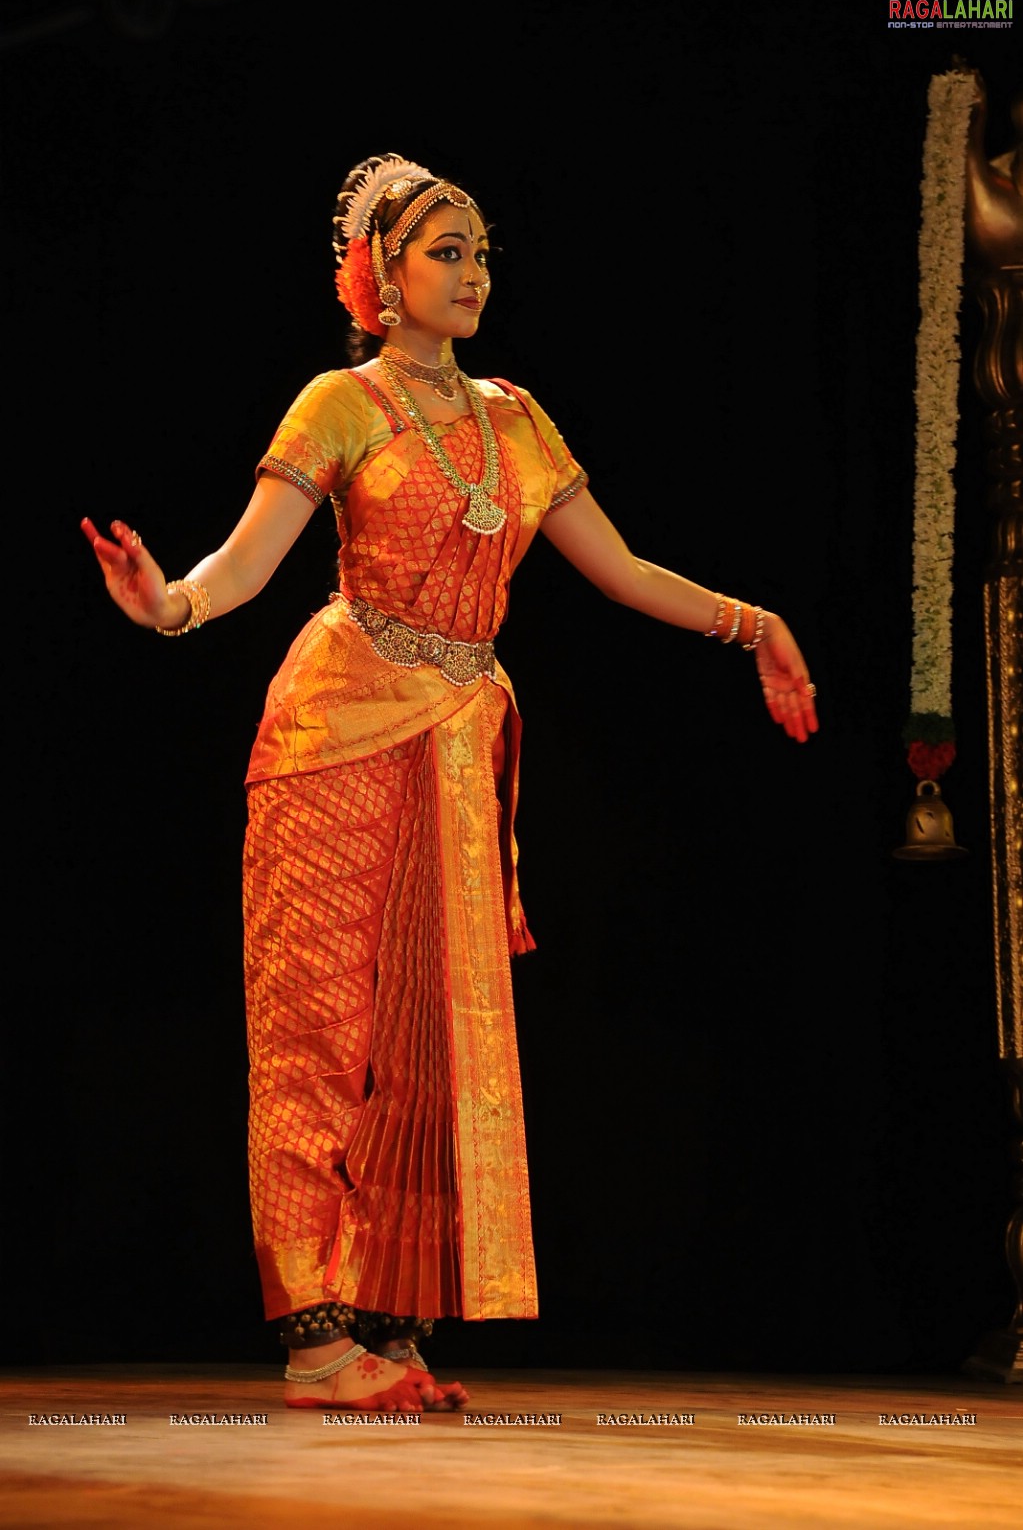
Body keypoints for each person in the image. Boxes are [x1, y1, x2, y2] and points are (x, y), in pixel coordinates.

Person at [82, 151, 818, 1414]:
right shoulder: (339, 402)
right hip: (335, 730)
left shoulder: (519, 418)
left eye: (481, 250)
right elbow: (248, 562)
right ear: (374, 275)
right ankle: (315, 1333)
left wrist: (757, 627)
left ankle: (392, 1321)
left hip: (457, 743)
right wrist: (172, 606)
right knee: (319, 1027)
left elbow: (627, 568)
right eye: (444, 249)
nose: (473, 272)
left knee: (435, 1035)